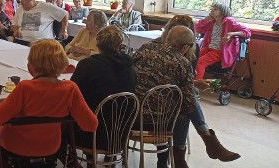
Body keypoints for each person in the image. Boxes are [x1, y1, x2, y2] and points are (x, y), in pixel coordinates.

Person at [0, 39, 98, 167]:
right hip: (50, 147)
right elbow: (91, 125)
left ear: (34, 65)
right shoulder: (70, 89)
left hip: (16, 146)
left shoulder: (25, 88)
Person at [152, 14, 240, 167]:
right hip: (154, 98)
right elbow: (160, 82)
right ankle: (204, 140)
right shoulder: (156, 48)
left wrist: (195, 83)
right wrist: (193, 84)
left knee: (183, 105)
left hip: (175, 95)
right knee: (185, 103)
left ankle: (176, 158)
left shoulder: (193, 49)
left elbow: (185, 81)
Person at [133, 26, 199, 168]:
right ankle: (165, 162)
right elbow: (189, 102)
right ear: (185, 47)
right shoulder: (183, 63)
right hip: (161, 126)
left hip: (132, 119)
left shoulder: (145, 48)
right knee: (183, 108)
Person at [70, 25, 135, 152]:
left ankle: (67, 161)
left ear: (97, 43)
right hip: (120, 133)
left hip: (90, 133)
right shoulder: (129, 67)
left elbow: (72, 94)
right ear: (119, 45)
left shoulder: (88, 65)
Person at [195, 3, 251, 80]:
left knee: (200, 62)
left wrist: (231, 33)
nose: (212, 11)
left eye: (215, 9)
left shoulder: (229, 22)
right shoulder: (211, 22)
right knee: (193, 58)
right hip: (208, 48)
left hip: (220, 51)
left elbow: (247, 32)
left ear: (223, 12)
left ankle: (197, 85)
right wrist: (205, 20)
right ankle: (189, 83)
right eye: (212, 9)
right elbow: (198, 29)